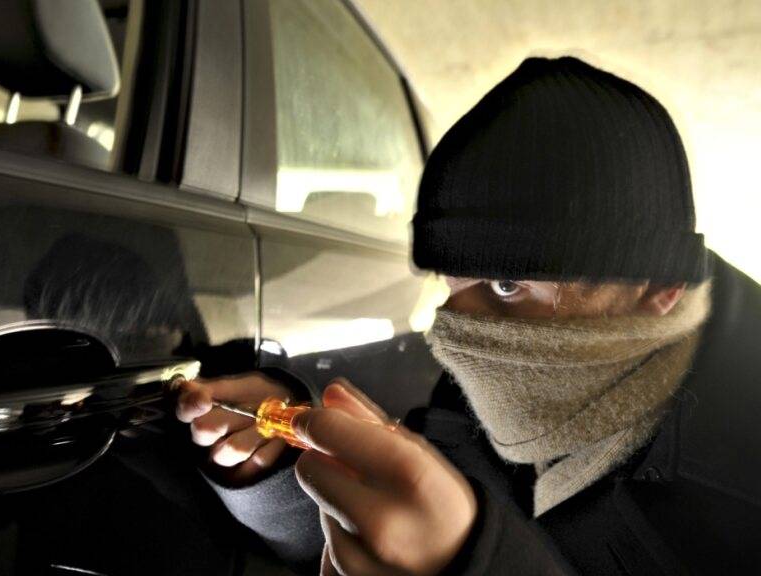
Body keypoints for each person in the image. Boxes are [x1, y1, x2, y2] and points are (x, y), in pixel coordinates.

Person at [176, 56, 761, 574]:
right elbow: (375, 539)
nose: (455, 332)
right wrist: (279, 467)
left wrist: (476, 562)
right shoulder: (514, 364)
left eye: (507, 283)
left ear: (656, 285)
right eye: (450, 284)